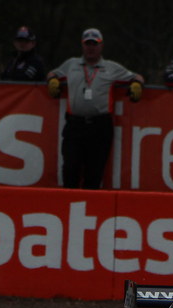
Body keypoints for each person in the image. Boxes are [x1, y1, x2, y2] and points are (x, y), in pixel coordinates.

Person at [46, 28, 144, 190]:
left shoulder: (111, 67)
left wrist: (137, 84)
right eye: (87, 44)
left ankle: (89, 210)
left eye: (94, 44)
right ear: (82, 45)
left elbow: (136, 76)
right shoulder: (72, 64)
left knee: (94, 172)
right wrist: (52, 81)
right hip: (75, 124)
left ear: (101, 46)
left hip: (100, 126)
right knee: (70, 168)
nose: (91, 48)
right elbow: (52, 73)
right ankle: (67, 207)